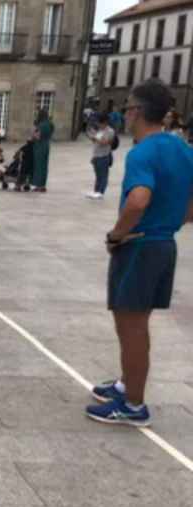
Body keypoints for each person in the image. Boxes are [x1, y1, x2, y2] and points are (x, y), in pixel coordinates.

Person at [87, 78, 193, 427]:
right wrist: (171, 221)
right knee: (136, 323)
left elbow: (138, 199)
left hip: (139, 247)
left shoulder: (142, 152)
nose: (125, 114)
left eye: (127, 108)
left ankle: (133, 405)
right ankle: (125, 384)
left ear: (136, 111)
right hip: (163, 244)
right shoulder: (182, 149)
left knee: (130, 327)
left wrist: (118, 234)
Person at [86, 113, 116, 200]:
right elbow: (96, 142)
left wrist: (95, 137)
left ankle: (100, 192)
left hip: (104, 156)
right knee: (98, 175)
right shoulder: (99, 130)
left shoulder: (110, 131)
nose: (99, 125)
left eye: (100, 123)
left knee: (103, 176)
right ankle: (96, 191)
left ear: (105, 122)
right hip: (96, 155)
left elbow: (105, 142)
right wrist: (92, 137)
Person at [30, 109, 54, 192]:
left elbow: (38, 137)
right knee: (44, 166)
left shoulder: (41, 125)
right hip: (46, 145)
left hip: (39, 146)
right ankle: (43, 185)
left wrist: (33, 133)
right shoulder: (50, 124)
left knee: (38, 166)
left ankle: (38, 185)